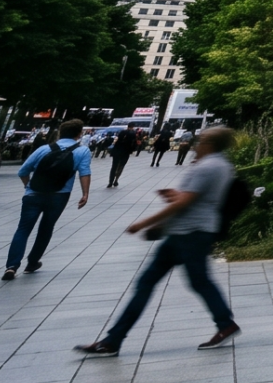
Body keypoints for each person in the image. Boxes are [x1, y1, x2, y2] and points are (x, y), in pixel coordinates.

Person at [75, 126, 240, 355]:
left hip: (191, 234)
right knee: (168, 282)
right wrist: (176, 197)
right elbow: (197, 198)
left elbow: (185, 203)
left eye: (201, 141)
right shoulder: (221, 164)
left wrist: (144, 223)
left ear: (210, 145)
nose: (196, 145)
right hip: (188, 232)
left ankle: (113, 340)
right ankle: (113, 340)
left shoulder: (208, 167)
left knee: (186, 282)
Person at [3, 119, 91, 280]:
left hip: (33, 194)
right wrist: (85, 194)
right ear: (79, 134)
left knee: (23, 229)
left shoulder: (43, 149)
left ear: (60, 133)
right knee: (46, 228)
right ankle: (32, 263)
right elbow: (84, 172)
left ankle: (11, 267)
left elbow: (23, 171)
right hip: (59, 196)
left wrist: (28, 186)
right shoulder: (82, 151)